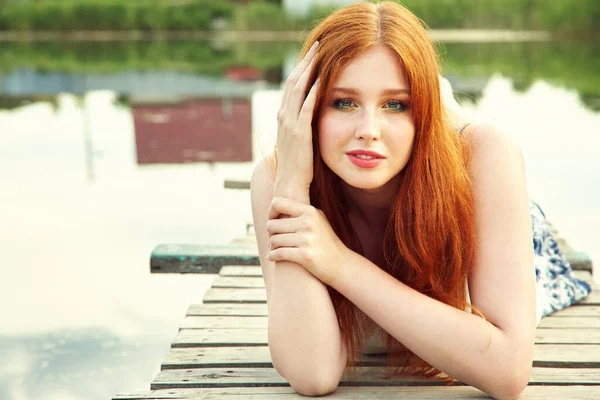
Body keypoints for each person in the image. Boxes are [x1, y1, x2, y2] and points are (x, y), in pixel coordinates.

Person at [250, 1, 591, 398]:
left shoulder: (486, 155)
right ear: (306, 107)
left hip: (457, 191)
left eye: (397, 104)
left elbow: (508, 371)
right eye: (344, 102)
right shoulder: (277, 179)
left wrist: (339, 263)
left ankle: (442, 106)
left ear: (420, 114)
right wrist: (292, 186)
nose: (369, 130)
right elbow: (312, 374)